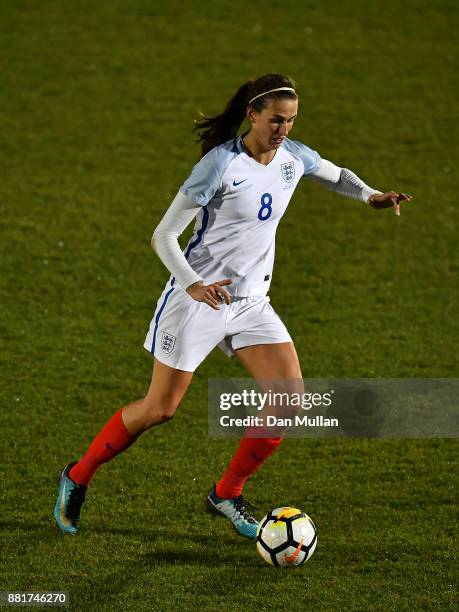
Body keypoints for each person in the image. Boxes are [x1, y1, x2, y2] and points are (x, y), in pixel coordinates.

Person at [54, 73, 412, 539]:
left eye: (291, 121)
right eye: (276, 120)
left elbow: (334, 173)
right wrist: (194, 285)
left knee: (288, 399)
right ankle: (77, 476)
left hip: (251, 303)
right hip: (198, 301)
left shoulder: (292, 157)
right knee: (160, 409)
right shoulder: (219, 166)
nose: (284, 130)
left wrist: (371, 196)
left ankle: (226, 493)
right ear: (252, 114)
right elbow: (163, 236)